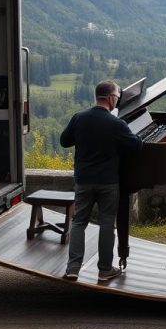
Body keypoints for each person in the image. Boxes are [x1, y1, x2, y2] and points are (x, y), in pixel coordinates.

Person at [59, 80, 142, 282]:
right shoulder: (116, 124)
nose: (118, 101)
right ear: (110, 97)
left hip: (84, 180)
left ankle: (73, 269)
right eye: (117, 97)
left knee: (78, 222)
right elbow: (137, 146)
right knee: (106, 224)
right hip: (108, 182)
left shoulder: (79, 118)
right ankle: (105, 270)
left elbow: (64, 141)